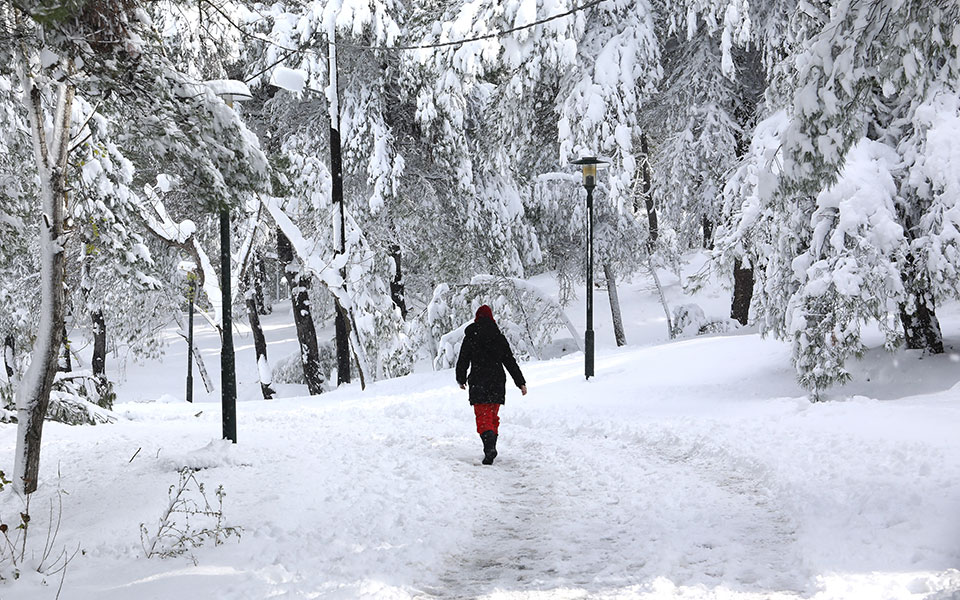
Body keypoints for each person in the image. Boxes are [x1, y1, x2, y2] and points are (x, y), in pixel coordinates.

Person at [456, 305, 527, 465]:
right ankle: (491, 445)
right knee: (493, 416)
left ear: (477, 318)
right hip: (497, 381)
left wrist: (461, 378)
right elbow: (510, 361)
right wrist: (520, 382)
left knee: (483, 416)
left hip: (479, 381)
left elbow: (463, 359)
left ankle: (489, 448)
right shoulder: (498, 337)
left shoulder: (471, 336)